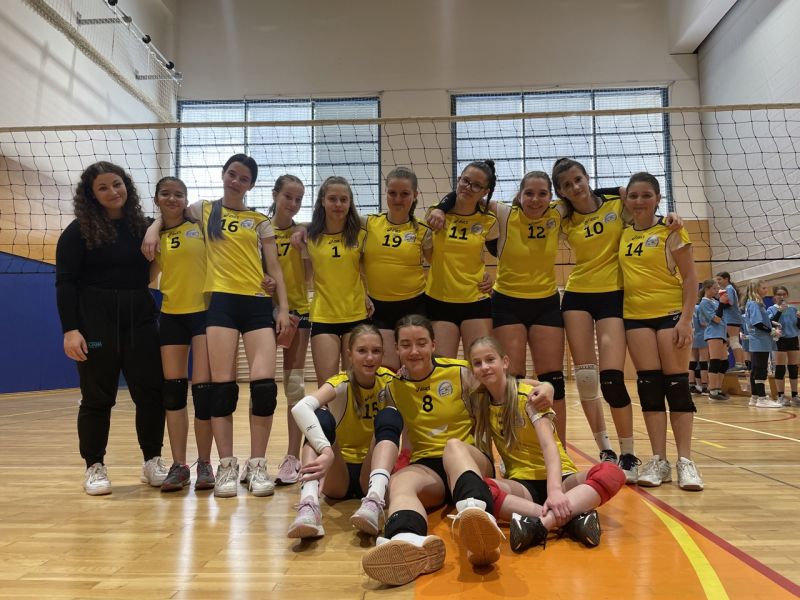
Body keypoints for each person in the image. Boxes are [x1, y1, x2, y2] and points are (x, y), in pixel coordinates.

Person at [360, 315, 553, 586]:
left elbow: (507, 382)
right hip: (429, 468)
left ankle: (478, 515)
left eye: (421, 343)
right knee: (400, 482)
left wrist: (547, 386)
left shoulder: (460, 372)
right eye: (406, 345)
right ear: (397, 349)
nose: (414, 351)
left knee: (453, 446)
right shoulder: (393, 387)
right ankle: (408, 540)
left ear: (433, 345)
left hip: (470, 460)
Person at [143, 154, 291, 498]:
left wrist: (282, 308)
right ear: (223, 175)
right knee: (222, 389)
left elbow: (275, 268)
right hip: (220, 304)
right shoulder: (204, 210)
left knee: (264, 388)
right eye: (232, 174)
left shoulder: (260, 221)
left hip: (256, 303)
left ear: (251, 185)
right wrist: (152, 227)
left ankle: (257, 464)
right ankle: (226, 465)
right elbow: (170, 214)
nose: (236, 181)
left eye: (243, 178)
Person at [429, 170, 567, 442]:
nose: (535, 199)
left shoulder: (558, 212)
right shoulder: (503, 213)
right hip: (507, 302)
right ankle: (511, 446)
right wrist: (440, 207)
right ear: (519, 195)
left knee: (554, 381)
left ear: (551, 197)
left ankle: (559, 449)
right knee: (510, 381)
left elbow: (586, 196)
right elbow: (467, 195)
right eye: (529, 193)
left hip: (546, 303)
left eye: (542, 194)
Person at [56, 161, 166, 495]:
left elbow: (179, 217)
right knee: (97, 397)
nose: (112, 192)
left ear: (126, 185)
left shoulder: (142, 226)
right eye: (102, 187)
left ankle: (152, 460)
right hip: (96, 321)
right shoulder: (78, 231)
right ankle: (94, 466)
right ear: (91, 194)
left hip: (139, 318)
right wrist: (71, 330)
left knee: (151, 393)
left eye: (116, 184)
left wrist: (156, 224)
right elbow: (65, 283)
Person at [467, 336, 626, 550]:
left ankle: (540, 525)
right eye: (477, 363)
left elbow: (549, 446)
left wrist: (555, 491)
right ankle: (571, 519)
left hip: (561, 479)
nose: (485, 367)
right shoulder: (481, 402)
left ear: (504, 362)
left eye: (490, 359)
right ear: (472, 370)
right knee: (478, 488)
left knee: (613, 472)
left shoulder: (530, 397)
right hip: (523, 485)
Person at [551, 157, 639, 481]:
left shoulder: (617, 202)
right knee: (586, 378)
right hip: (577, 296)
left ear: (587, 177)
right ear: (561, 192)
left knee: (612, 378)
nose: (575, 187)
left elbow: (645, 208)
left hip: (612, 294)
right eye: (566, 185)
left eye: (578, 179)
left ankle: (629, 453)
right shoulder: (564, 218)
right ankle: (606, 450)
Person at [617, 172, 703, 491]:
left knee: (677, 386)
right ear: (626, 199)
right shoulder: (623, 233)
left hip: (671, 316)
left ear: (658, 199)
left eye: (646, 195)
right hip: (635, 318)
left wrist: (686, 320)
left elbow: (691, 278)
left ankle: (685, 462)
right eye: (633, 196)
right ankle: (659, 461)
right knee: (649, 388)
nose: (639, 201)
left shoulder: (672, 231)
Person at [286, 324, 396, 538]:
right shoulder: (340, 382)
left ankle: (373, 501)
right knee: (321, 417)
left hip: (370, 469)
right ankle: (308, 505)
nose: (370, 357)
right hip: (337, 471)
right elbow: (300, 408)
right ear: (349, 354)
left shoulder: (390, 381)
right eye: (362, 351)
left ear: (383, 354)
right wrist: (326, 450)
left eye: (376, 351)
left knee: (389, 415)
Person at [151, 176, 214, 491]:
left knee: (203, 392)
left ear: (186, 199)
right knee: (173, 393)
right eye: (165, 194)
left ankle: (205, 463)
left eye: (178, 194)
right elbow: (148, 275)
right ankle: (179, 465)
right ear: (157, 199)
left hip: (203, 313)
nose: (172, 199)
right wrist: (153, 228)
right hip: (171, 315)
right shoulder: (156, 237)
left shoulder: (200, 225)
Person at [423, 160, 499, 358]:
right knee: (441, 367)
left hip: (476, 299)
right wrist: (440, 209)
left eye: (477, 185)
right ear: (458, 180)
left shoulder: (489, 220)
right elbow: (428, 254)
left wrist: (492, 278)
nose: (468, 187)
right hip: (439, 299)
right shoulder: (435, 213)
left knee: (479, 364)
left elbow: (503, 253)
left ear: (485, 191)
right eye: (465, 181)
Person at [300, 176, 371, 386]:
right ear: (322, 201)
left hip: (356, 315)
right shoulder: (309, 236)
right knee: (328, 385)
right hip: (324, 316)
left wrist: (368, 296)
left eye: (343, 199)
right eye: (332, 199)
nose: (338, 204)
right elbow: (305, 277)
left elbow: (367, 272)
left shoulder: (361, 234)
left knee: (355, 384)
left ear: (350, 203)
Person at [363, 167, 432, 371]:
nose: (398, 199)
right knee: (388, 367)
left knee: (415, 365)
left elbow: (441, 264)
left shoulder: (423, 230)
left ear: (415, 195)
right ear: (385, 193)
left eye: (405, 194)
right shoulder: (368, 224)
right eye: (392, 193)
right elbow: (333, 224)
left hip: (414, 305)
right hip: (378, 308)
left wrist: (480, 275)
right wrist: (300, 230)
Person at [268, 175, 312, 485]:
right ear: (275, 195)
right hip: (262, 314)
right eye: (288, 197)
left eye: (298, 199)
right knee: (261, 386)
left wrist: (305, 248)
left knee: (295, 387)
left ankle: (292, 457)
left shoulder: (302, 233)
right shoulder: (260, 231)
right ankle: (256, 459)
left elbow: (308, 276)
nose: (293, 204)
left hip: (298, 312)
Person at [744, 281, 783, 408]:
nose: (766, 290)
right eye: (764, 288)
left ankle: (755, 397)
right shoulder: (755, 303)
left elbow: (761, 321)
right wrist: (772, 331)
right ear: (756, 289)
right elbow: (757, 323)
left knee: (756, 368)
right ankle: (762, 398)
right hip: (760, 340)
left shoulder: (753, 303)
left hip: (758, 339)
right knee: (760, 368)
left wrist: (772, 324)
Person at [768, 286, 800, 406]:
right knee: (780, 368)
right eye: (779, 294)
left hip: (793, 339)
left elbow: (798, 326)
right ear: (774, 297)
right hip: (779, 340)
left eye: (784, 294)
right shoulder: (771, 309)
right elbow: (771, 323)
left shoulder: (793, 309)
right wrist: (780, 311)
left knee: (793, 368)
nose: (782, 297)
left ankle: (795, 395)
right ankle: (780, 396)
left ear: (787, 295)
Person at [697, 280, 729, 401]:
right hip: (713, 333)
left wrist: (727, 336)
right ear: (707, 289)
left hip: (721, 333)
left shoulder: (714, 301)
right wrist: (721, 304)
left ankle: (718, 389)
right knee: (715, 362)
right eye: (715, 289)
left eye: (717, 288)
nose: (717, 291)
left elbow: (723, 319)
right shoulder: (704, 303)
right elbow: (716, 319)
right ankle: (713, 391)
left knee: (724, 363)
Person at [715, 271, 746, 371]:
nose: (718, 281)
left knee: (733, 341)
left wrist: (720, 303)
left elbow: (730, 303)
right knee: (732, 341)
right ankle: (742, 363)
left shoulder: (728, 288)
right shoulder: (729, 288)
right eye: (717, 280)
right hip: (733, 318)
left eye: (719, 279)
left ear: (726, 279)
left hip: (731, 318)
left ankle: (739, 364)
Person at [690, 299, 710, 395]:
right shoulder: (699, 308)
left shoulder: (686, 309)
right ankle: (704, 387)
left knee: (692, 360)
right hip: (701, 335)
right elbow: (702, 322)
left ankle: (691, 386)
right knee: (703, 361)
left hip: (691, 335)